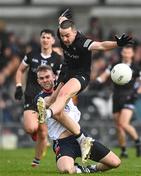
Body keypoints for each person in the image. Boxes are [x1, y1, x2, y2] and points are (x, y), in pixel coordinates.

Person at [37, 9, 133, 162]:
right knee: (53, 98)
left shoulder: (83, 42)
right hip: (66, 71)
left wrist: (118, 44)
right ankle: (79, 136)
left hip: (80, 76)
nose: (65, 39)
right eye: (62, 36)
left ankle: (46, 114)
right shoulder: (62, 28)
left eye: (68, 35)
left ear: (75, 32)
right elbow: (62, 20)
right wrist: (63, 15)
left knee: (62, 96)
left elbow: (101, 45)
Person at [36, 65, 121, 174]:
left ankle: (91, 169)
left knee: (115, 162)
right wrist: (63, 80)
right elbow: (51, 102)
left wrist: (106, 72)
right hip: (63, 143)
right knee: (66, 169)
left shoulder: (67, 90)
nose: (45, 80)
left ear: (53, 76)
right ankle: (79, 169)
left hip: (82, 137)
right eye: (41, 78)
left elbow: (88, 85)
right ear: (38, 81)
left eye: (47, 77)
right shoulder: (40, 99)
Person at [14, 29, 62, 167]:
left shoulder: (57, 59)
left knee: (43, 131)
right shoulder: (31, 55)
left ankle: (37, 160)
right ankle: (41, 140)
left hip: (48, 98)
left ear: (53, 40)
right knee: (31, 128)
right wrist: (18, 86)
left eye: (48, 37)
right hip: (31, 96)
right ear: (40, 39)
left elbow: (60, 78)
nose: (45, 39)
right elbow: (20, 70)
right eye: (43, 37)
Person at [89, 45, 141, 158]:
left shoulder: (136, 68)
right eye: (125, 52)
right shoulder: (115, 65)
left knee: (123, 123)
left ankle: (138, 141)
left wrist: (137, 93)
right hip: (116, 96)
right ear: (122, 53)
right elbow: (105, 75)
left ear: (132, 54)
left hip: (129, 97)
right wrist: (96, 81)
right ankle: (123, 150)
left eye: (129, 52)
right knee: (118, 126)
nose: (126, 54)